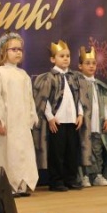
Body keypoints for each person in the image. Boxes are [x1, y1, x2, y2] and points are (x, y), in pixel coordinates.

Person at [0, 32, 39, 196]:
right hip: (8, 123)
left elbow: (29, 98)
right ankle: (9, 185)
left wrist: (31, 116)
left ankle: (22, 184)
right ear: (3, 51)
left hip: (21, 124)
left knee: (22, 153)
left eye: (20, 49)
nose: (18, 52)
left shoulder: (23, 75)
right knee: (8, 153)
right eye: (13, 49)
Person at [32, 40, 84, 191]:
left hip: (72, 120)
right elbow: (44, 99)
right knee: (57, 152)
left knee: (71, 151)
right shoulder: (49, 77)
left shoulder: (74, 77)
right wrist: (50, 117)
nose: (66, 59)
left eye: (68, 56)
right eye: (62, 56)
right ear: (53, 59)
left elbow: (78, 98)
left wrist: (80, 114)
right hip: (58, 121)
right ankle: (56, 181)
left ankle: (70, 179)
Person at [77, 45, 107, 187]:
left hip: (97, 123)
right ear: (80, 66)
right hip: (85, 123)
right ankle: (85, 176)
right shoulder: (78, 83)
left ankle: (97, 175)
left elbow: (105, 104)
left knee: (97, 149)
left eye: (93, 63)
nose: (91, 66)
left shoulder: (99, 86)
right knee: (84, 149)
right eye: (87, 63)